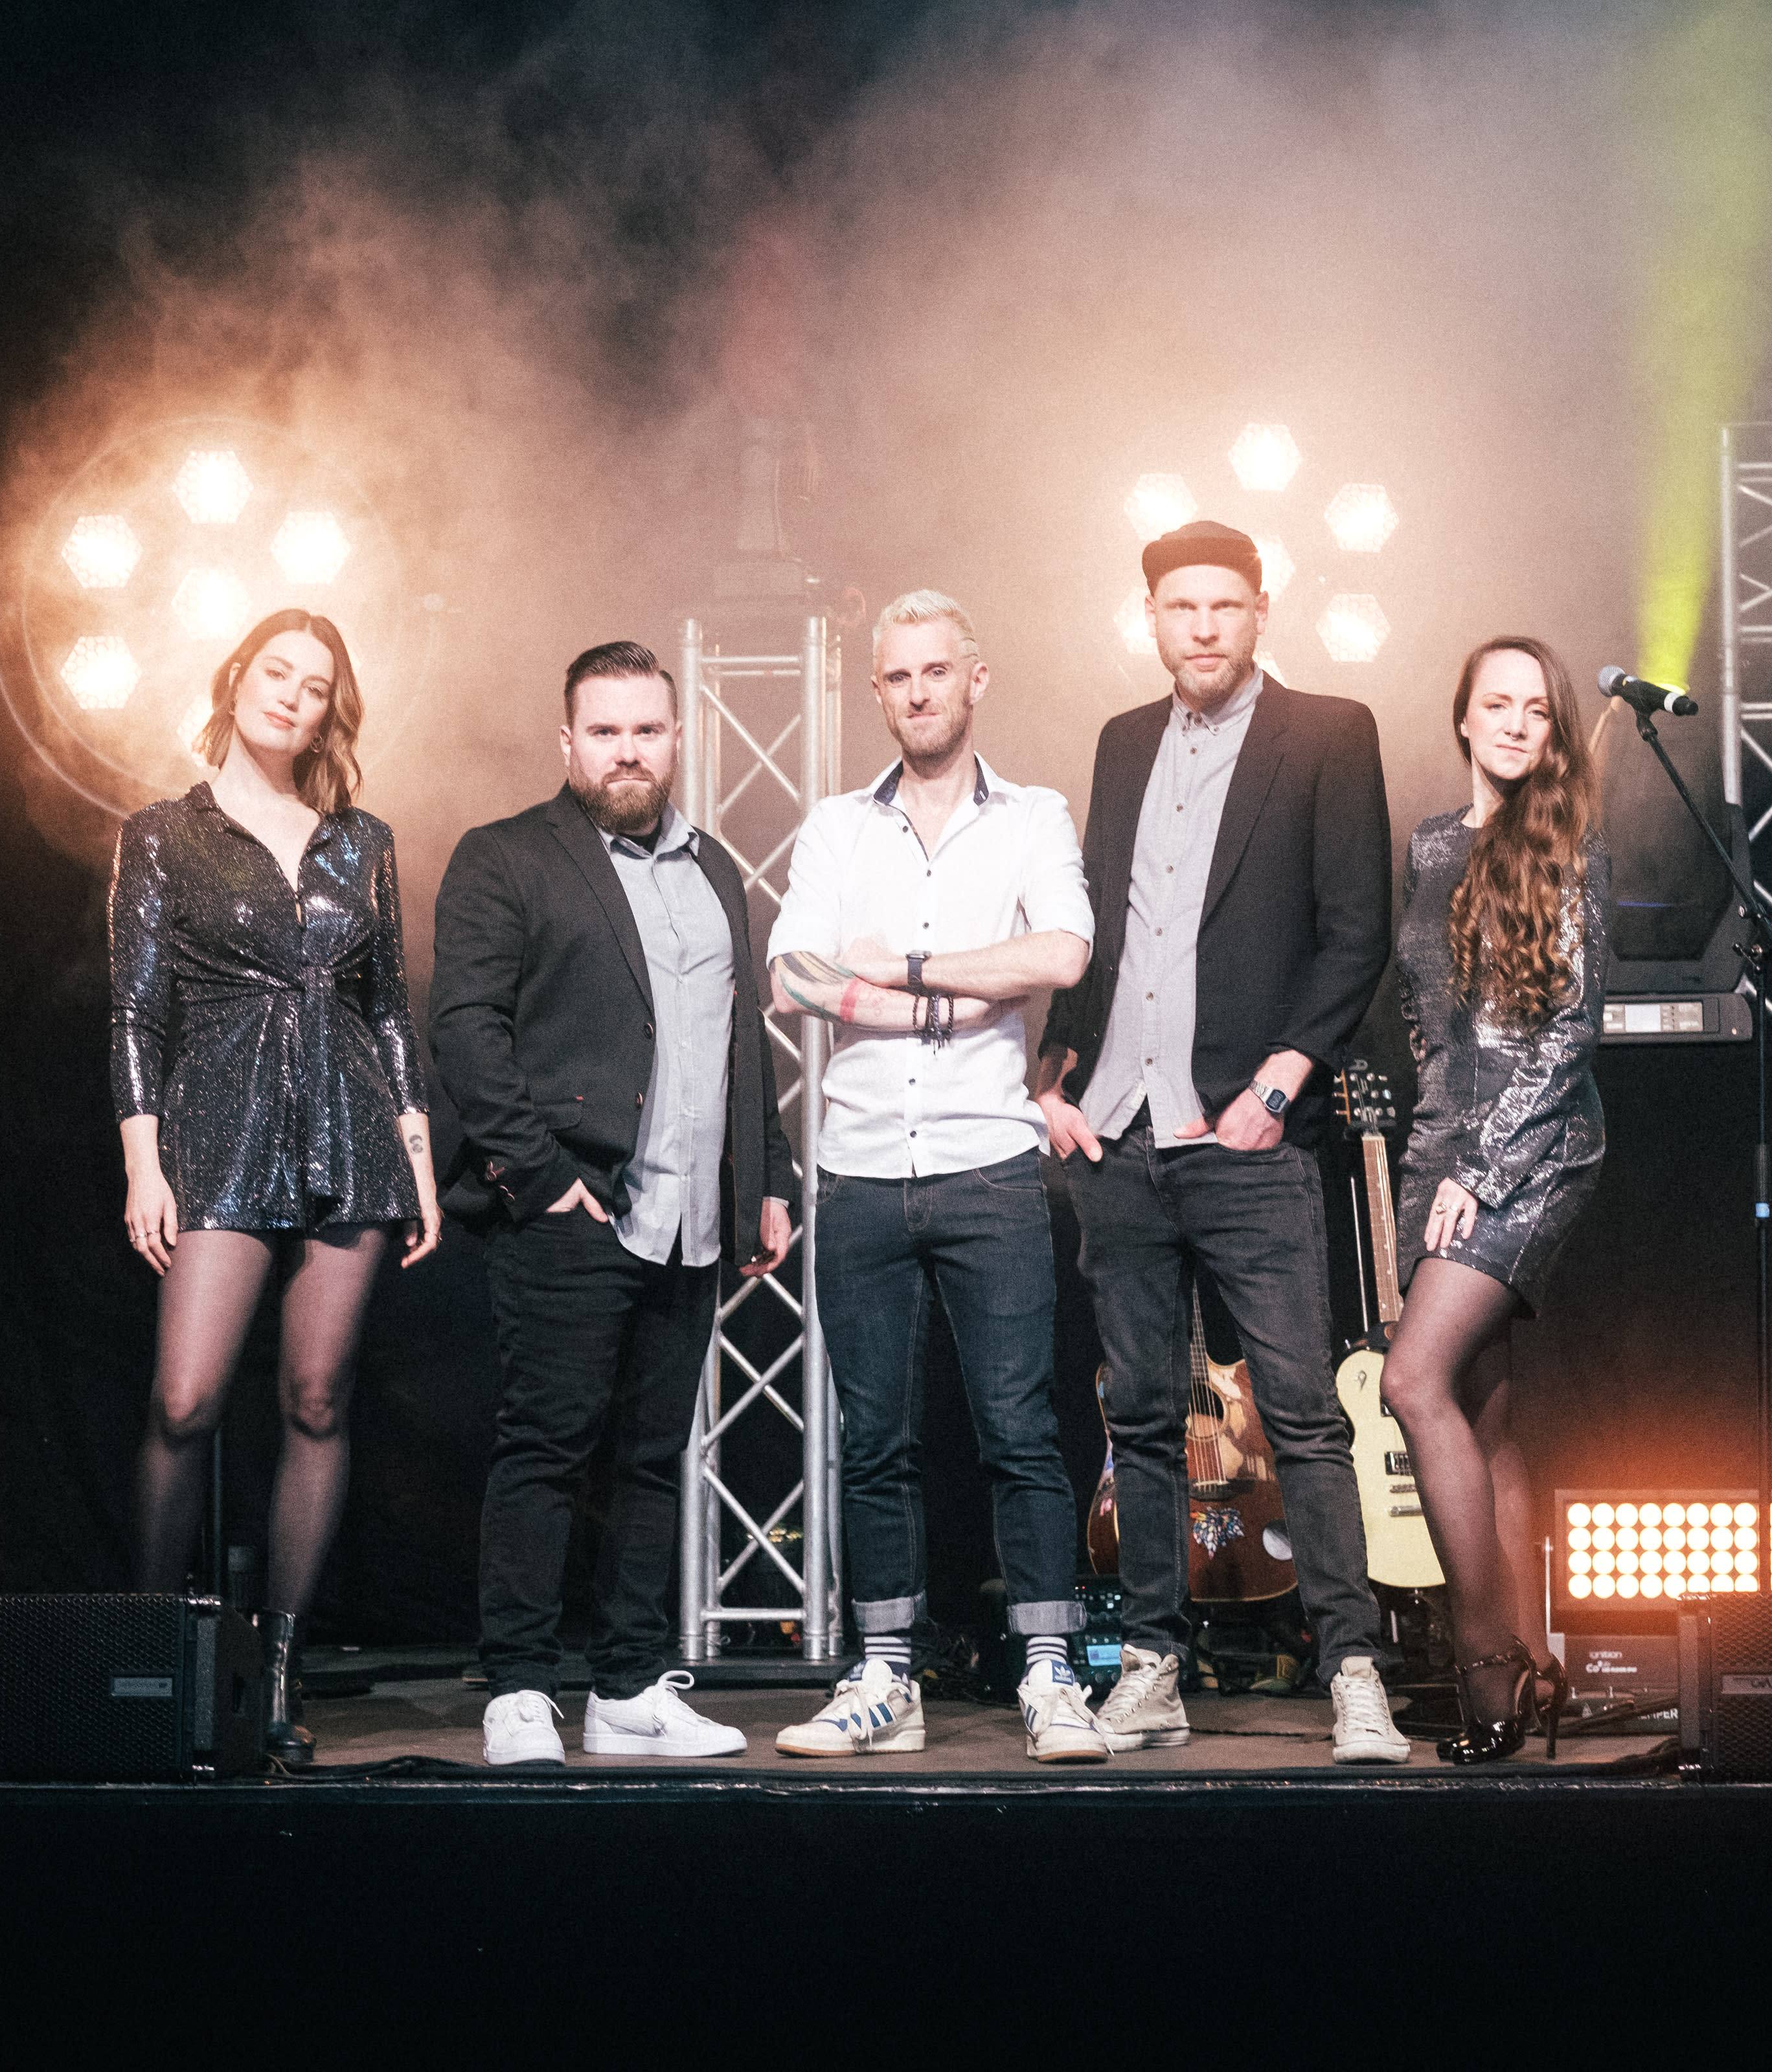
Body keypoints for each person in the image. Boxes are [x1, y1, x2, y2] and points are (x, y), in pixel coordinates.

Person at [1033, 519, 1411, 1765]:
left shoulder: (1331, 732)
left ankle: (1354, 1672)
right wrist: (1056, 1073)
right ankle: (1151, 1667)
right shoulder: (1122, 742)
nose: (1203, 627)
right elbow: (1102, 927)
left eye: (1225, 606)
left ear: (1260, 613)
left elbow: (1357, 930)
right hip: (1121, 1136)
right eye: (1180, 607)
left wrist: (1281, 1082)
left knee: (1303, 1415)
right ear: (1151, 617)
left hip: (1247, 1133)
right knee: (1142, 1418)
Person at [432, 640, 797, 1766]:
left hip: (694, 1217)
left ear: (677, 738)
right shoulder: (506, 856)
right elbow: (466, 1029)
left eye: (646, 730)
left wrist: (768, 1180)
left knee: (651, 1458)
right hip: (576, 1207)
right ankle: (520, 1689)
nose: (627, 751)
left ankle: (629, 1689)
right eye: (605, 731)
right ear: (568, 742)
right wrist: (540, 1180)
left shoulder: (716, 867)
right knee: (546, 1449)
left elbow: (741, 1041)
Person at [764, 591, 1108, 1763]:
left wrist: (904, 969)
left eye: (937, 671)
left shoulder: (1034, 815)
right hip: (859, 1170)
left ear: (976, 678)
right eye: (898, 676)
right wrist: (959, 996)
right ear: (879, 692)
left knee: (1021, 1431)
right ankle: (885, 1679)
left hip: (989, 1165)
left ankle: (1051, 1676)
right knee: (875, 1441)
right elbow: (793, 977)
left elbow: (1061, 952)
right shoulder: (834, 828)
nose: (918, 692)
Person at [109, 608, 442, 1768]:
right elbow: (134, 1010)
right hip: (219, 1127)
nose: (292, 694)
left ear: (329, 714)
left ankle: (280, 1677)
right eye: (277, 672)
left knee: (316, 1400)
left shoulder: (363, 841)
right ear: (237, 679)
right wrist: (144, 1163)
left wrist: (418, 1160)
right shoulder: (163, 834)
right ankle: (145, 1662)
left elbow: (388, 1008)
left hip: (351, 1132)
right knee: (185, 1400)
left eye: (316, 685)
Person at [1381, 635, 1606, 1762]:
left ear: (1553, 731)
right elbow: (1425, 1013)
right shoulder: (1430, 844)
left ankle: (1485, 1668)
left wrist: (1480, 1169)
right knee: (1483, 1417)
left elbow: (1569, 1036)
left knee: (1411, 1381)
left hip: (1535, 1148)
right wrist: (1432, 1158)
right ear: (1464, 717)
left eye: (1537, 710)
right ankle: (1540, 1663)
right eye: (1497, 704)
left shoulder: (1568, 848)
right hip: (1439, 1147)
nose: (1517, 724)